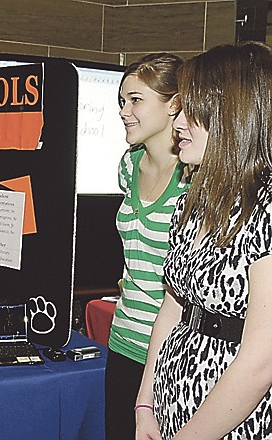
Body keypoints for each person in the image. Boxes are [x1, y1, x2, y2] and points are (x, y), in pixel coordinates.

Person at [135, 41, 272, 440]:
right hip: (168, 410)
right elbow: (173, 307)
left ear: (232, 118)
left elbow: (261, 361)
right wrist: (145, 404)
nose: (177, 124)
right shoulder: (194, 201)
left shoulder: (266, 209)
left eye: (191, 112)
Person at [106, 53, 187, 440]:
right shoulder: (127, 164)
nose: (125, 111)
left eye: (136, 100)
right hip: (123, 339)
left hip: (171, 355)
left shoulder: (196, 178)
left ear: (174, 104)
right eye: (122, 101)